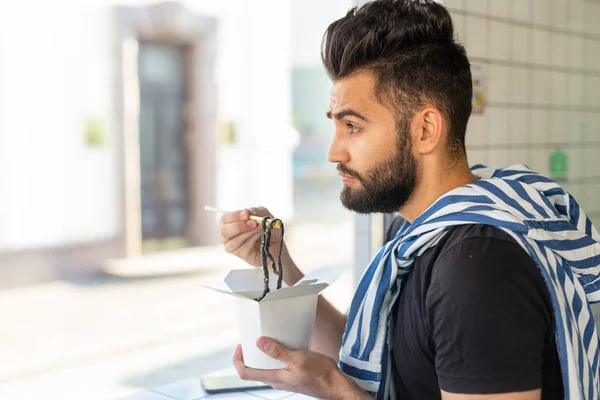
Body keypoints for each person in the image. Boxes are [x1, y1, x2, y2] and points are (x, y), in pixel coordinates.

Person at [218, 1, 600, 399]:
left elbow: (343, 378)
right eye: (336, 125)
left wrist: (330, 387)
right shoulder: (418, 229)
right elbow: (365, 352)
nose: (334, 152)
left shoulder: (479, 266)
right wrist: (278, 265)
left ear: (425, 129)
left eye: (353, 126)